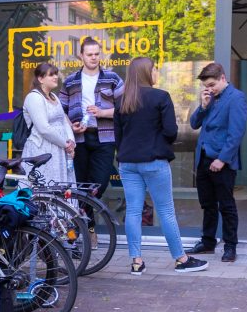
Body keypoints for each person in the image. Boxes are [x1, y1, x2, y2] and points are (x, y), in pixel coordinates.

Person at [112, 56, 208, 276]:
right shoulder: (161, 97)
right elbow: (171, 131)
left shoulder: (122, 101)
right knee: (165, 210)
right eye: (155, 69)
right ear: (147, 72)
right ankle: (181, 259)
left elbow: (118, 137)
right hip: (154, 161)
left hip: (128, 163)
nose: (157, 72)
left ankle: (136, 262)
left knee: (134, 211)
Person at [187, 61, 247, 263]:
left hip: (222, 161)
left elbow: (236, 133)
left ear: (223, 78)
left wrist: (222, 159)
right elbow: (194, 123)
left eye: (212, 85)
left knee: (227, 205)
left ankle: (230, 246)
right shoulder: (209, 98)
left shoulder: (236, 98)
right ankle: (208, 242)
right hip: (203, 158)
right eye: (206, 86)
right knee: (208, 204)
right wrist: (203, 106)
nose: (209, 89)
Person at [61, 37, 123, 197]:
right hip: (78, 138)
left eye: (96, 54)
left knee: (99, 183)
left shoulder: (112, 78)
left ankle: (85, 218)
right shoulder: (70, 81)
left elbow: (125, 109)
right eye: (90, 54)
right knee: (79, 183)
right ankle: (87, 222)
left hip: (105, 137)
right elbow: (60, 110)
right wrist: (70, 126)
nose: (94, 57)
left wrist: (102, 113)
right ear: (81, 55)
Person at [21, 62, 75, 183]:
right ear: (40, 79)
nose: (56, 77)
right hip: (42, 150)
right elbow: (43, 128)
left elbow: (64, 121)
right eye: (51, 75)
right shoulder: (34, 97)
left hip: (60, 150)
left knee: (61, 187)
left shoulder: (55, 97)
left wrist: (71, 142)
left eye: (56, 74)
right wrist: (65, 145)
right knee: (45, 186)